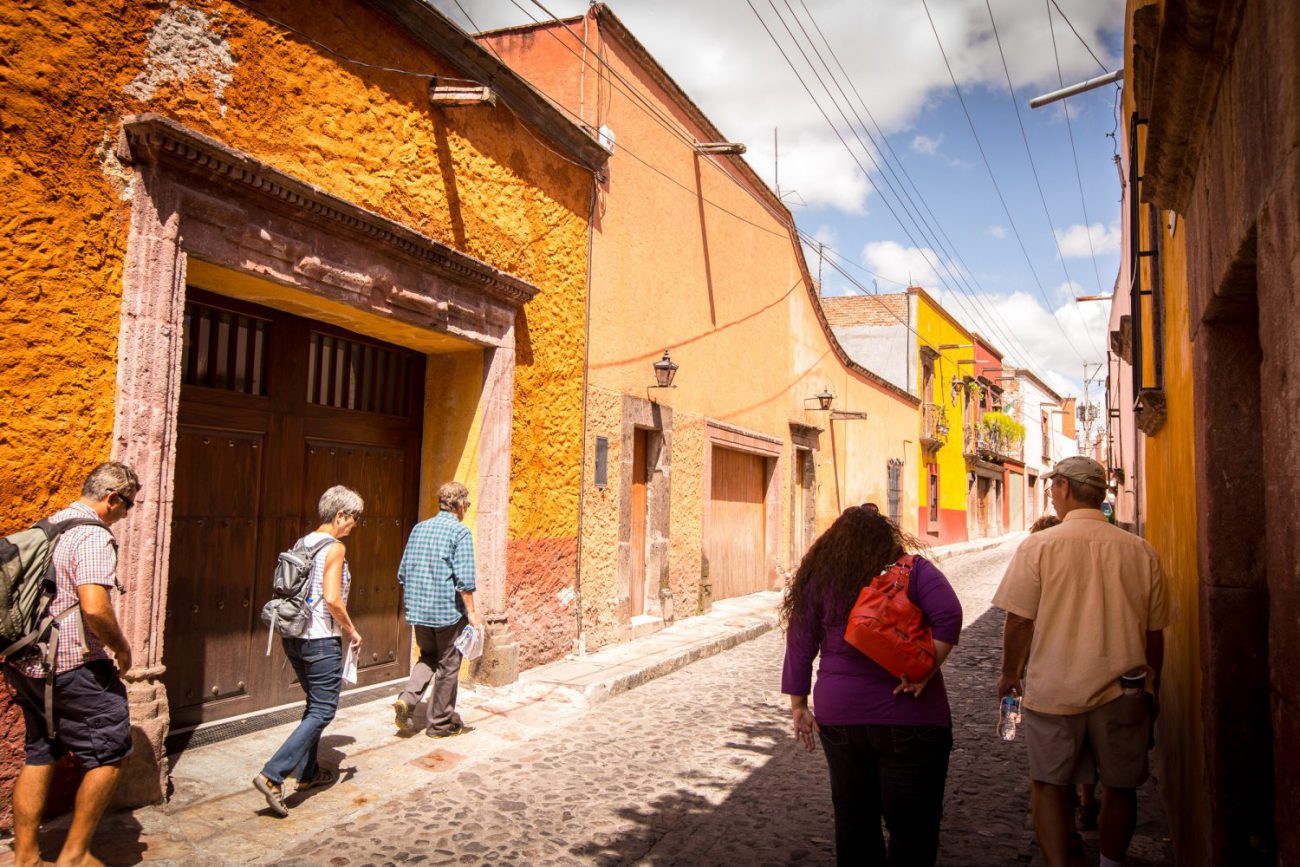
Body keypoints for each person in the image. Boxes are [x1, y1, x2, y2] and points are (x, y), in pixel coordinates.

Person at [993, 456, 1172, 867]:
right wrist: (1153, 686)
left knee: (1049, 786)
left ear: (1065, 489)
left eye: (1053, 487)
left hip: (1055, 693)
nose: (1052, 495)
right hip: (1124, 692)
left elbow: (1019, 620)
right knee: (1120, 788)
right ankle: (1110, 862)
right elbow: (1154, 632)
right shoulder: (1141, 551)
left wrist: (1009, 674)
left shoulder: (1039, 546)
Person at [782, 504, 963, 867]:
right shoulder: (914, 572)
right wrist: (926, 669)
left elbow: (800, 644)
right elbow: (950, 615)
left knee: (854, 820)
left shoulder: (820, 578)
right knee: (913, 827)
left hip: (841, 717)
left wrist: (799, 705)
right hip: (911, 716)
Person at [4, 461, 138, 867]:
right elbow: (94, 608)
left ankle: (26, 856)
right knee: (110, 755)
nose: (126, 514)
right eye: (127, 505)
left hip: (26, 665)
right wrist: (123, 648)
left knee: (39, 753)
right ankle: (75, 856)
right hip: (73, 666)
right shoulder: (93, 536)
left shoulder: (49, 526)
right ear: (112, 498)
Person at [253, 485, 363, 817]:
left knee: (314, 703)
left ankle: (307, 773)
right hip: (320, 640)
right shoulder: (335, 547)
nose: (354, 525)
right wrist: (352, 630)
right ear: (340, 515)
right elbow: (331, 598)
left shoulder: (303, 543)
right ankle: (273, 775)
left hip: (294, 637)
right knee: (324, 709)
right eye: (354, 518)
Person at [392, 481, 482, 738]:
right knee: (448, 666)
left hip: (418, 611)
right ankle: (440, 724)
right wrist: (472, 614)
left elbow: (402, 572)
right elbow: (464, 580)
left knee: (428, 657)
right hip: (447, 614)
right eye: (468, 504)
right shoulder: (460, 533)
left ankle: (408, 700)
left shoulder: (419, 529)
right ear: (461, 504)